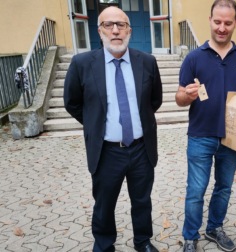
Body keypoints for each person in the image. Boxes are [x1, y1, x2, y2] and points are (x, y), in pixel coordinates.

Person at [63, 6, 162, 252]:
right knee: (104, 203)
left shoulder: (147, 61)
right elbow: (72, 102)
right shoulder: (82, 63)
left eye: (121, 25)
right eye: (109, 25)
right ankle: (105, 244)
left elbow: (154, 100)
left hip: (141, 149)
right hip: (106, 151)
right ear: (100, 30)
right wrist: (96, 125)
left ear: (129, 30)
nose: (115, 30)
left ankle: (143, 241)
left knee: (142, 201)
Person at [175, 0, 236, 251]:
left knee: (224, 188)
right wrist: (187, 96)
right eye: (217, 21)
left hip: (231, 139)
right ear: (210, 20)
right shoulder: (193, 58)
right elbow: (179, 99)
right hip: (200, 135)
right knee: (196, 190)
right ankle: (190, 237)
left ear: (235, 23)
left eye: (227, 23)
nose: (222, 27)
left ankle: (214, 228)